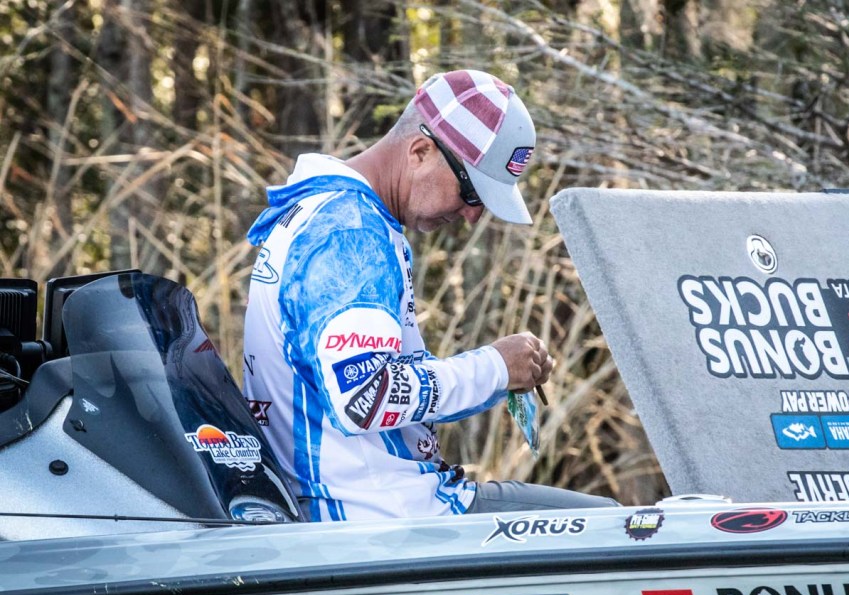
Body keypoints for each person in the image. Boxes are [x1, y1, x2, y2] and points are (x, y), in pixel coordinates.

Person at [243, 69, 619, 521]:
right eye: (471, 191)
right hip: (380, 517)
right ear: (420, 151)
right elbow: (364, 397)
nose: (472, 216)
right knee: (617, 526)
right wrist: (494, 366)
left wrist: (502, 378)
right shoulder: (351, 233)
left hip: (369, 507)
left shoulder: (328, 213)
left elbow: (376, 387)